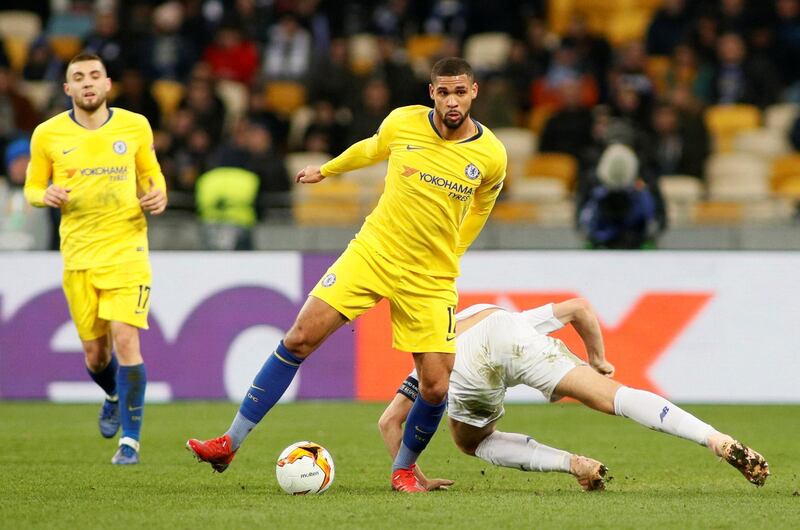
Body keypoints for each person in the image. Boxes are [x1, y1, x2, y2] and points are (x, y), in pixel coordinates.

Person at [187, 57, 508, 493]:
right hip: (373, 252)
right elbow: (371, 147)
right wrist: (328, 169)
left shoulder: (491, 154)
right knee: (299, 337)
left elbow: (483, 206)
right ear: (431, 93)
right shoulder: (403, 123)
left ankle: (404, 472)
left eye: (460, 92)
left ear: (473, 92)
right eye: (443, 92)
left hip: (429, 276)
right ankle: (229, 442)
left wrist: (454, 249)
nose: (452, 100)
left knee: (435, 387)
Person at [379, 299, 770, 492]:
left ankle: (574, 464)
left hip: (468, 363)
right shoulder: (504, 314)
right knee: (614, 396)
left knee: (471, 440)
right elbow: (580, 309)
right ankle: (716, 439)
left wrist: (416, 477)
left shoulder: (433, 347)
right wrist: (597, 359)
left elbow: (390, 422)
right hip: (514, 334)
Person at [24, 53, 168, 465]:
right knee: (95, 355)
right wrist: (44, 195)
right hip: (78, 255)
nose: (87, 83)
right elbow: (32, 186)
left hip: (128, 249)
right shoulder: (47, 134)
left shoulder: (134, 125)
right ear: (67, 89)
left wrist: (159, 192)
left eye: (94, 76)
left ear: (108, 85)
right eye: (77, 78)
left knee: (126, 339)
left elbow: (152, 174)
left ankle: (131, 442)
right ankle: (110, 393)